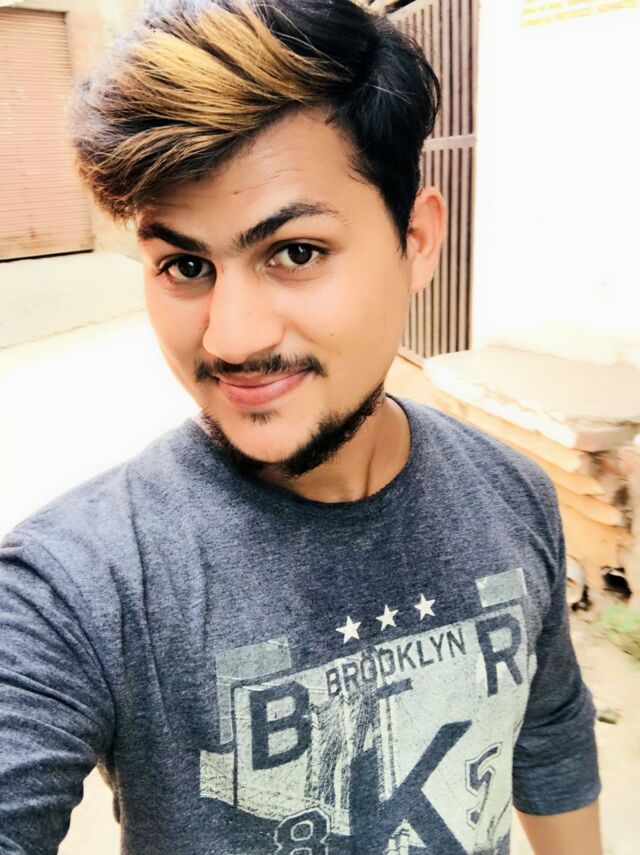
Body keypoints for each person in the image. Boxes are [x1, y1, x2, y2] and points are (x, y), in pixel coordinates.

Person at [0, 1, 602, 853]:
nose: (231, 339)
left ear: (417, 241)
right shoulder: (76, 585)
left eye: (295, 252)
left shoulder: (514, 495)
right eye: (185, 265)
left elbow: (549, 735)